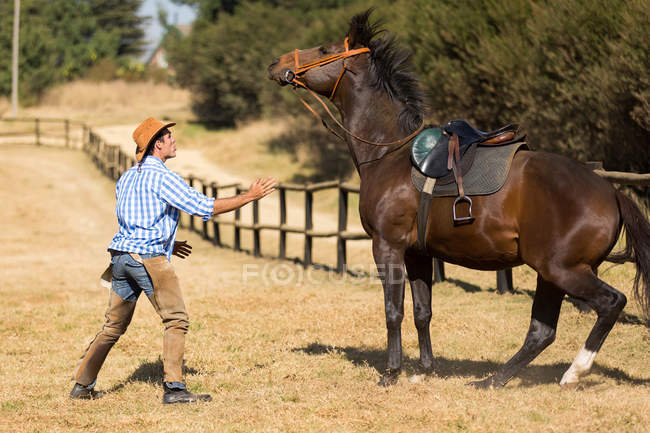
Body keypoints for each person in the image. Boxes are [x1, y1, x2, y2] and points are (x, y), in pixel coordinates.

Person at [70, 117, 277, 404]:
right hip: (148, 259)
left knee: (113, 327)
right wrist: (249, 196)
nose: (173, 140)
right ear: (158, 144)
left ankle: (82, 385)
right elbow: (204, 207)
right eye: (168, 136)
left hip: (120, 257)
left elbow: (134, 218)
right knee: (176, 319)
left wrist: (170, 241)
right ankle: (175, 389)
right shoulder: (162, 177)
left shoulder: (128, 176)